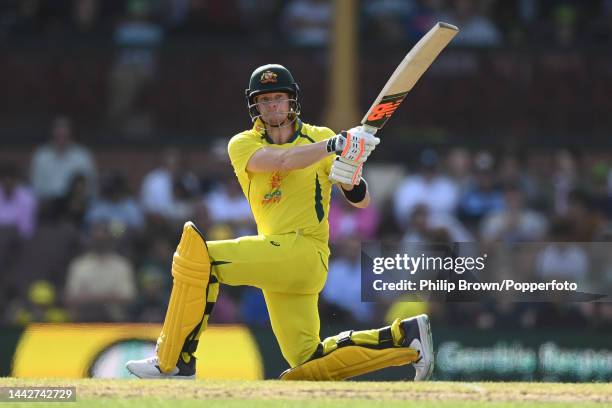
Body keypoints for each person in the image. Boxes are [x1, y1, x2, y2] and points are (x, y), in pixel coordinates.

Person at [126, 64, 433, 381]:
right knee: (307, 363)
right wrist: (335, 146)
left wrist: (351, 173)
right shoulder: (244, 144)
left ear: (291, 101)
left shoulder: (321, 136)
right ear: (254, 105)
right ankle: (406, 338)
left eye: (278, 98)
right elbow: (282, 160)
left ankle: (173, 361)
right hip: (278, 258)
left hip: (305, 252)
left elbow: (361, 200)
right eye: (265, 99)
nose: (272, 106)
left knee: (199, 258)